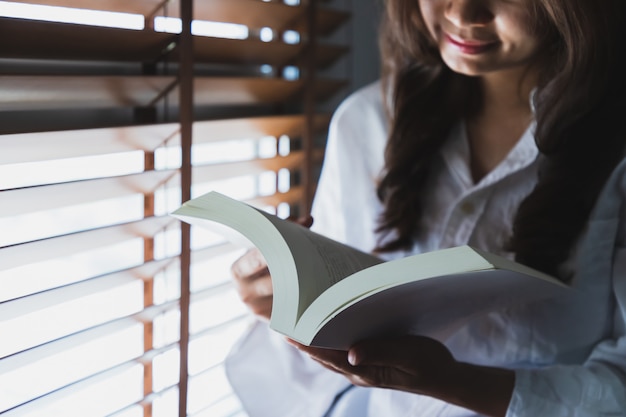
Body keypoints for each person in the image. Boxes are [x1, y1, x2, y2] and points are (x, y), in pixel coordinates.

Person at [225, 0, 626, 415]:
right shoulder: (366, 123)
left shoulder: (616, 151)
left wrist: (454, 382)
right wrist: (279, 301)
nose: (463, 14)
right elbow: (325, 347)